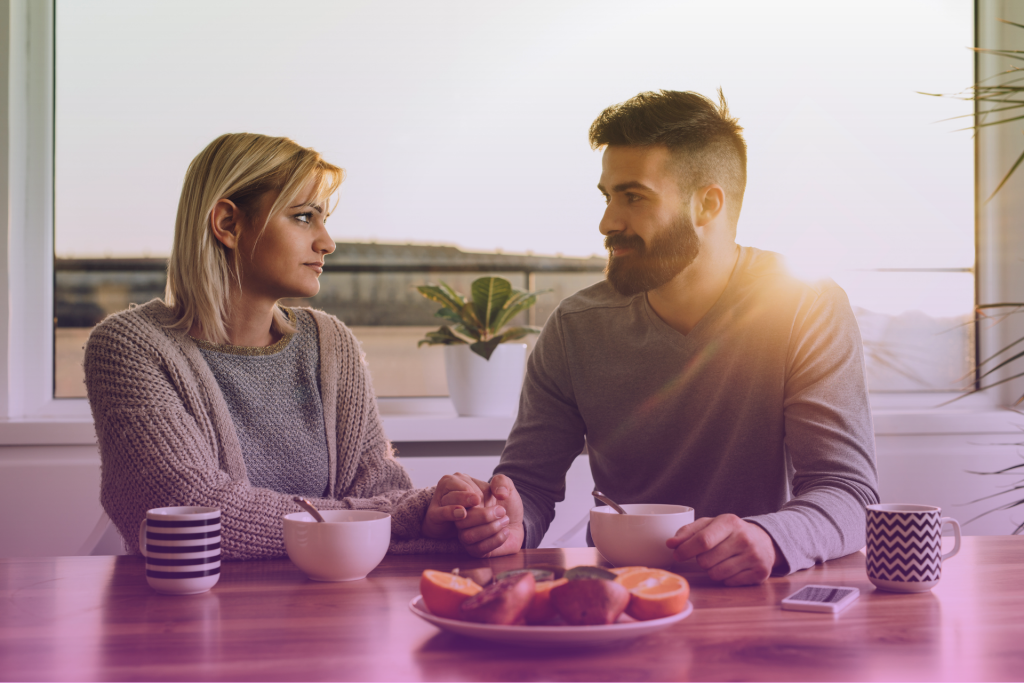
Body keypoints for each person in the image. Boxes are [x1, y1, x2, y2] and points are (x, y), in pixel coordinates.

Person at [465, 90, 880, 584]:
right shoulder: (577, 326)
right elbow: (529, 487)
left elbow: (848, 491)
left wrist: (771, 538)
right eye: (607, 197)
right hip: (619, 598)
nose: (607, 222)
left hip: (753, 594)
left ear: (707, 204)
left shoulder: (805, 305)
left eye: (633, 197)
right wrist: (509, 522)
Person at [84, 133, 513, 559]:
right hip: (190, 616)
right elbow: (194, 514)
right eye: (305, 217)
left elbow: (385, 495)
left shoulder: (331, 344)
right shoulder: (130, 347)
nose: (327, 242)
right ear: (228, 224)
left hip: (335, 609)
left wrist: (454, 518)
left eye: (323, 219)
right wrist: (407, 516)